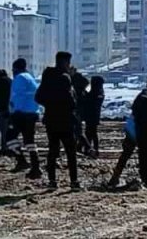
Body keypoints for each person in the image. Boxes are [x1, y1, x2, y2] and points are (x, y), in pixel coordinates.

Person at [35, 52, 80, 190]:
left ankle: (52, 181)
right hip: (65, 120)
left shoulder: (47, 76)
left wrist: (50, 105)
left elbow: (38, 97)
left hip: (51, 120)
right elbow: (72, 102)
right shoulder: (65, 78)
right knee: (70, 152)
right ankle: (74, 182)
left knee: (52, 151)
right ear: (66, 62)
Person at [8, 59, 40, 173]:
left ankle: (21, 160)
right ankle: (35, 165)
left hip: (21, 113)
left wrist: (14, 111)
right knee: (29, 140)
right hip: (32, 113)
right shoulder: (30, 78)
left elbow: (17, 97)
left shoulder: (19, 78)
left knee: (10, 137)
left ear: (15, 69)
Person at [81, 75, 106, 159]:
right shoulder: (99, 91)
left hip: (92, 115)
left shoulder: (97, 92)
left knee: (91, 132)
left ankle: (92, 149)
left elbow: (90, 100)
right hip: (93, 115)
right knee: (91, 132)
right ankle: (90, 149)